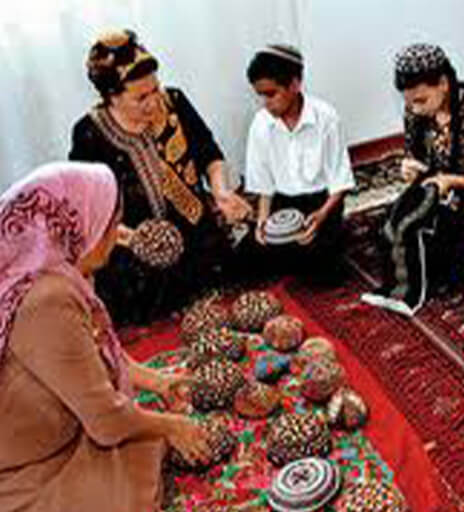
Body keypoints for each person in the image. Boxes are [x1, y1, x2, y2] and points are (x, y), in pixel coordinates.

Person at [0, 162, 210, 511]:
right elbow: (106, 423)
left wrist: (159, 382)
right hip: (28, 465)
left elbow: (93, 349)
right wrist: (171, 426)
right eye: (110, 225)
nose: (117, 235)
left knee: (141, 437)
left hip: (49, 424)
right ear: (75, 225)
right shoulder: (47, 300)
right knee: (134, 456)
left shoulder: (48, 271)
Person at [69, 29, 254, 326]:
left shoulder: (175, 102)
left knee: (243, 255)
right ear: (110, 97)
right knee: (139, 296)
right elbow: (87, 208)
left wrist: (221, 192)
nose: (154, 102)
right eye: (140, 97)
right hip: (134, 243)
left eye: (155, 89)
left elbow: (209, 153)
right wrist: (138, 240)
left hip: (192, 230)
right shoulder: (90, 133)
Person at [361, 43, 464, 316]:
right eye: (409, 102)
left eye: (421, 101)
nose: (415, 109)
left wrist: (452, 180)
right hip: (437, 193)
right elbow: (418, 157)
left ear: (443, 83)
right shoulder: (415, 112)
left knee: (448, 262)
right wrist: (411, 169)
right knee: (388, 230)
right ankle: (402, 289)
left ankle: (421, 282)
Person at [244, 44, 355, 283]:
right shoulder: (260, 124)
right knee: (245, 259)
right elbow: (264, 184)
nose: (266, 103)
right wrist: (263, 221)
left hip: (320, 203)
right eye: (261, 96)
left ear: (294, 85)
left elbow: (340, 181)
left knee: (325, 271)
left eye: (271, 94)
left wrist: (322, 215)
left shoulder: (326, 117)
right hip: (282, 206)